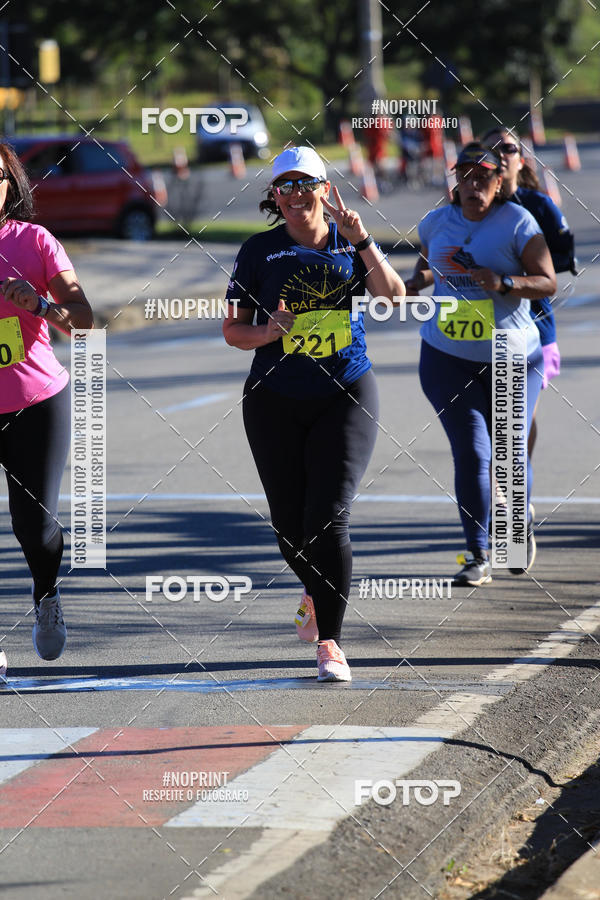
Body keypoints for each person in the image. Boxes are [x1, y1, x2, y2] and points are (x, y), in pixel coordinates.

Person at [223, 146, 404, 681]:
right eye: (286, 186)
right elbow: (233, 330)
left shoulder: (351, 242)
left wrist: (363, 240)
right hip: (273, 400)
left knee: (328, 516)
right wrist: (267, 332)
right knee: (289, 525)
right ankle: (315, 589)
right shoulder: (259, 251)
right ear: (275, 197)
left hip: (345, 392)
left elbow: (393, 297)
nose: (296, 195)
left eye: (306, 184)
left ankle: (330, 644)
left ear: (326, 190)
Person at [404, 143, 556, 586]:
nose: (473, 186)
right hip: (447, 358)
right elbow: (432, 266)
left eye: (483, 177)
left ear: (498, 182)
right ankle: (477, 554)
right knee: (472, 453)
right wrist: (412, 283)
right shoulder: (436, 222)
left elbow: (547, 282)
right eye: (465, 176)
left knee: (508, 454)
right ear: (455, 181)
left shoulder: (518, 223)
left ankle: (515, 526)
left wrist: (505, 282)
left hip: (512, 355)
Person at [0, 141, 93, 665]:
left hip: (34, 402)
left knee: (33, 527)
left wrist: (39, 304)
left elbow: (84, 321)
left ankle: (46, 594)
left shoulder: (34, 241)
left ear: (9, 184)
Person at [481, 127, 576, 461]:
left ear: (521, 160)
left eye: (508, 149)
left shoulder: (538, 204)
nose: (501, 155)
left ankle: (514, 478)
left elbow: (564, 258)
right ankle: (504, 479)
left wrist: (518, 272)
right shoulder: (471, 206)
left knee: (517, 416)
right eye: (492, 149)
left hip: (532, 327)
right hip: (479, 329)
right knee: (494, 418)